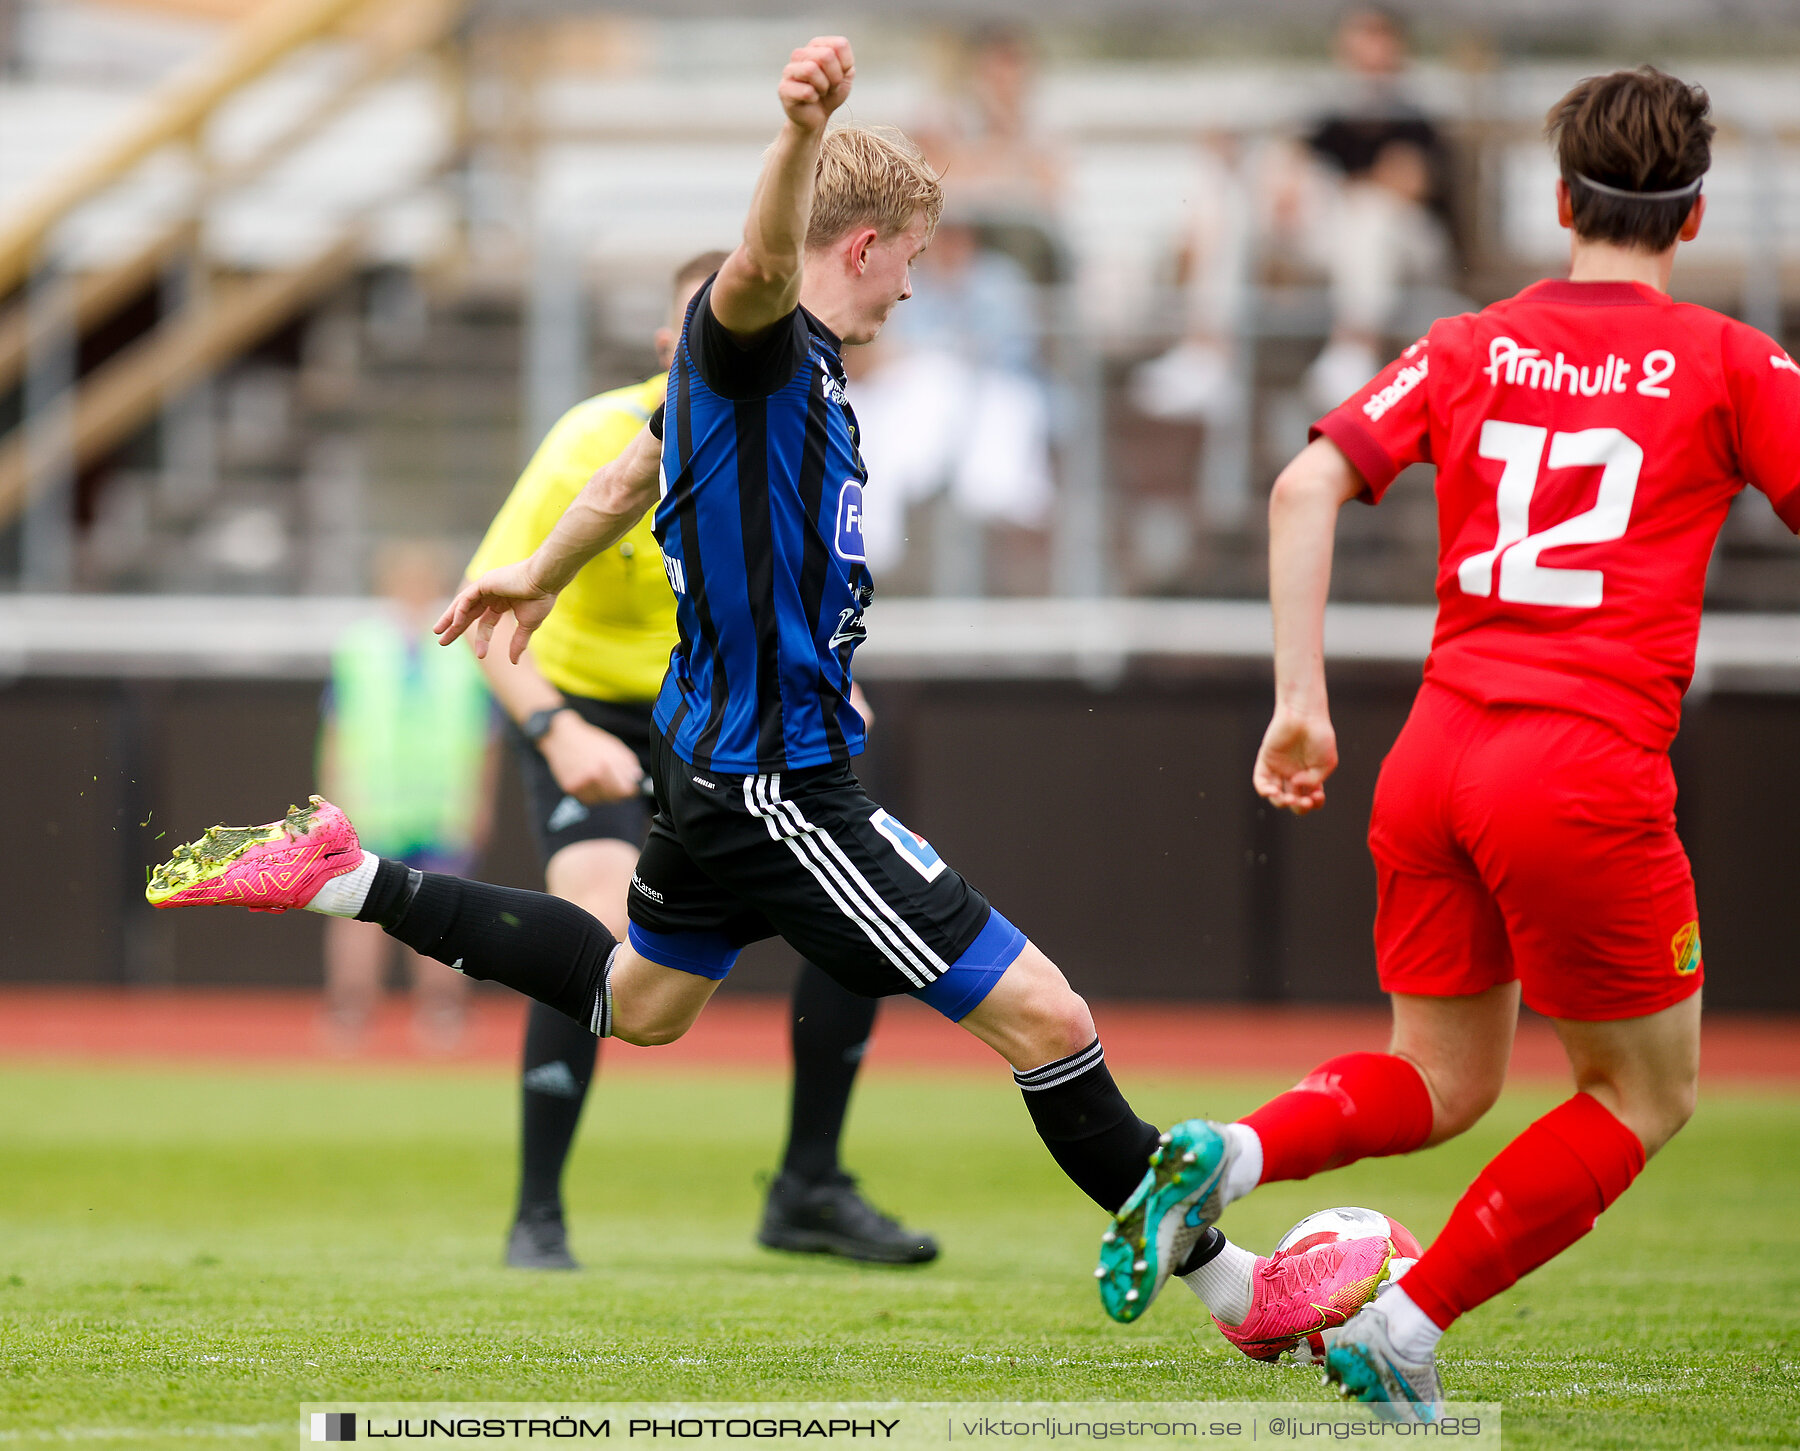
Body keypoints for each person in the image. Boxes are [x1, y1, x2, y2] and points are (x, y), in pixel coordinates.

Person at [145, 36, 1385, 1357]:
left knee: (644, 1000)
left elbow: (628, 477)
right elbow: (747, 274)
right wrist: (799, 134)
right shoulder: (756, 339)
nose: (917, 285)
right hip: (775, 784)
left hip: (718, 756)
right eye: (912, 254)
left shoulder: (794, 383)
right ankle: (1245, 1294)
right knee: (1052, 1016)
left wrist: (536, 570)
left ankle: (345, 876)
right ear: (859, 242)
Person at [1099, 67, 1795, 1420]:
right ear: (1695, 215)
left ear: (1557, 202)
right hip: (1583, 767)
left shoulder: (1473, 340)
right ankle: (1404, 1326)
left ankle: (1228, 1154)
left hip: (1436, 751)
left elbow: (1306, 480)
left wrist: (1299, 696)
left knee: (1443, 1074)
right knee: (1644, 1091)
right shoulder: (1731, 360)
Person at [468, 248, 937, 1270]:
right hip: (589, 707)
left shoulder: (792, 428)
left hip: (723, 716)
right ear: (666, 340)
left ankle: (808, 1183)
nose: (736, 339)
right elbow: (484, 610)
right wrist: (557, 728)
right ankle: (537, 1212)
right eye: (711, 322)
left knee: (857, 912)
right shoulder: (597, 436)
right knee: (597, 924)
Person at [317, 538, 497, 1051]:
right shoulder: (360, 645)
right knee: (354, 911)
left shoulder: (463, 647)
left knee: (442, 912)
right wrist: (332, 800)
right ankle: (351, 1009)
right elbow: (336, 726)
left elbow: (486, 735)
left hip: (442, 807)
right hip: (372, 805)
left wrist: (479, 800)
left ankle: (441, 1010)